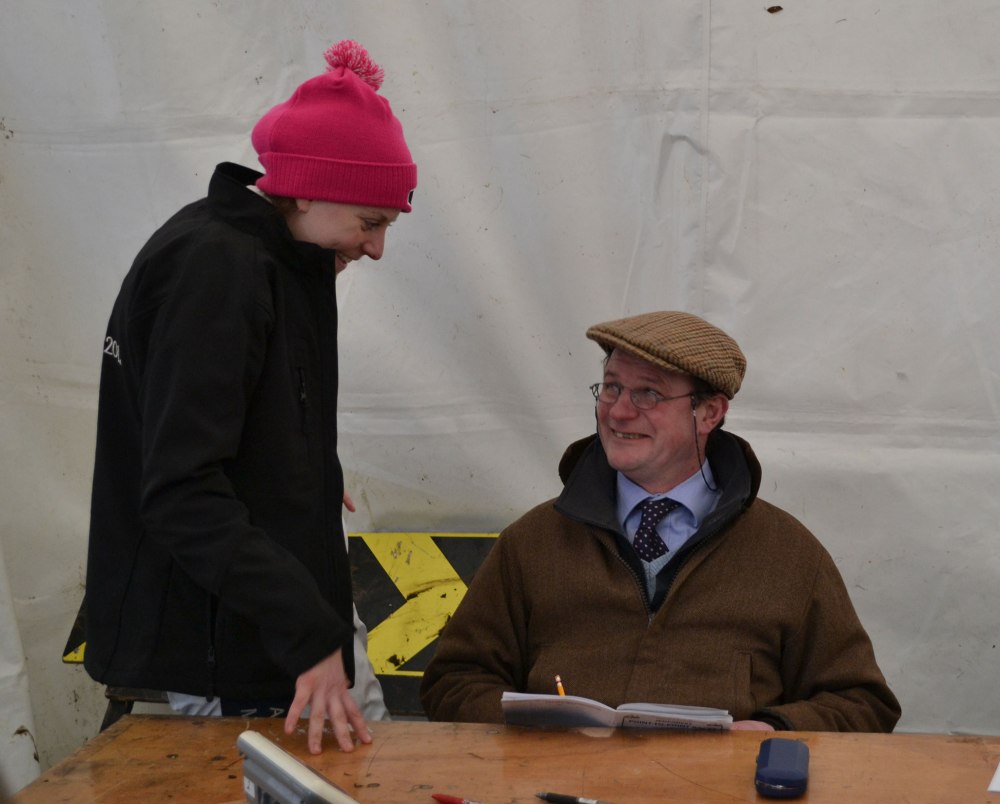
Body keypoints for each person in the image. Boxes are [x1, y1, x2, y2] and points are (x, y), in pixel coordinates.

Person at [84, 40, 416, 753]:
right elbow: (179, 489)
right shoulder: (217, 270)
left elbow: (235, 415)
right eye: (372, 221)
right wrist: (308, 638)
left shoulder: (289, 256)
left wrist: (301, 469)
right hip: (217, 646)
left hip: (271, 620)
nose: (378, 247)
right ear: (305, 188)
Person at [421, 310, 900, 732]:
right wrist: (532, 728)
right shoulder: (534, 542)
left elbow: (863, 705)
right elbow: (454, 682)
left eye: (648, 393)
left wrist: (774, 728)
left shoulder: (788, 552)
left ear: (709, 412)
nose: (618, 411)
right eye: (611, 387)